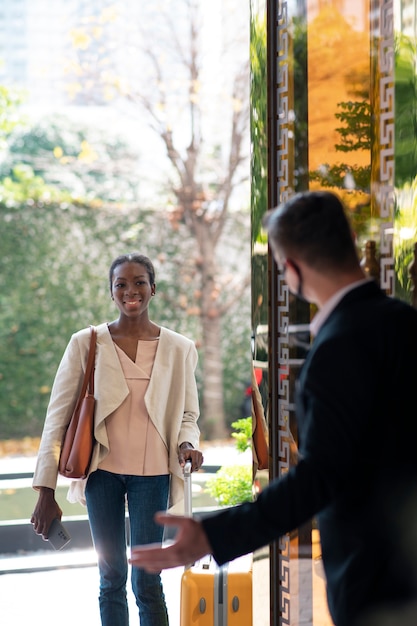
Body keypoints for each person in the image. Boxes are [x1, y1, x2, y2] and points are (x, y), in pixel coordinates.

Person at [130, 192, 417, 626]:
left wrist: (212, 535)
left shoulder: (338, 346)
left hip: (380, 580)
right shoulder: (405, 322)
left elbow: (322, 475)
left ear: (292, 269)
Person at [31, 252, 204, 626]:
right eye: (121, 284)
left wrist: (187, 444)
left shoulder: (179, 348)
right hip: (102, 474)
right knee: (111, 578)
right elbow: (57, 418)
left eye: (139, 282)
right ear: (111, 292)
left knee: (148, 580)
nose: (131, 291)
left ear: (153, 289)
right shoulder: (86, 343)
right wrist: (46, 490)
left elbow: (188, 414)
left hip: (153, 474)